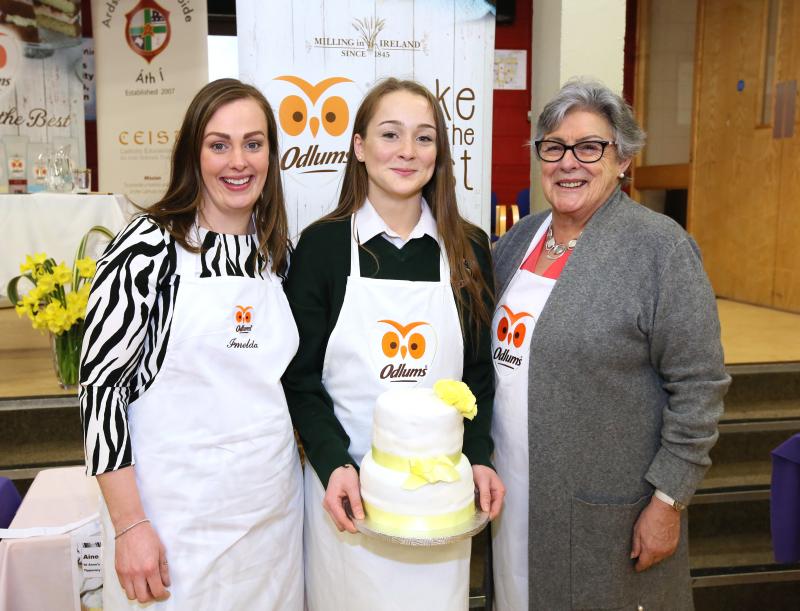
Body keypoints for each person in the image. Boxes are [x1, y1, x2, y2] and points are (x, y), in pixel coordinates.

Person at [490, 79, 730, 610]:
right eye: (553, 147)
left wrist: (669, 500)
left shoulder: (659, 249)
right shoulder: (514, 244)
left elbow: (699, 386)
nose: (568, 162)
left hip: (606, 514)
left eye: (589, 147)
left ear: (622, 158)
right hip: (513, 497)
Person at [79, 78, 303, 609]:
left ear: (271, 153)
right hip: (174, 525)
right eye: (218, 145)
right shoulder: (147, 247)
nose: (238, 162)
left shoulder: (278, 254)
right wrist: (130, 525)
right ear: (192, 154)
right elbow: (101, 390)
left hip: (271, 520)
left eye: (253, 143)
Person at [282, 77, 505, 611]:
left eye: (424, 138)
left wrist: (477, 455)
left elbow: (478, 373)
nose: (408, 151)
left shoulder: (468, 248)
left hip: (439, 504)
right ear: (359, 147)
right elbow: (300, 378)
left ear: (439, 153)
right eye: (390, 134)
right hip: (347, 496)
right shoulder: (322, 247)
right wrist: (335, 464)